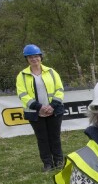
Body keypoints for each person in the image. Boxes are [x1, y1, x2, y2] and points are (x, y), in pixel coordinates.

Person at [16, 44, 65, 172]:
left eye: (36, 56)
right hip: (35, 113)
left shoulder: (51, 72)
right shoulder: (21, 75)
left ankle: (59, 162)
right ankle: (47, 164)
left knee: (55, 137)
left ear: (41, 57)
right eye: (30, 57)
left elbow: (59, 89)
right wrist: (39, 107)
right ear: (27, 59)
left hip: (54, 111)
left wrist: (52, 106)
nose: (34, 59)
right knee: (42, 139)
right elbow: (22, 94)